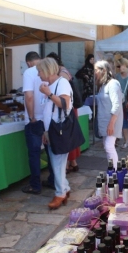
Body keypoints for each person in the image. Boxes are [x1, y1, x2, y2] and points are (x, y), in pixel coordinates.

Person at [38, 57, 71, 209]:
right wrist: (45, 131)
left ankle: (60, 193)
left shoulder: (61, 83)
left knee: (58, 163)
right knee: (56, 161)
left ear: (47, 71)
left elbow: (64, 103)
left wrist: (48, 93)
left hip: (59, 130)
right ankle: (65, 189)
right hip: (52, 129)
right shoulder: (51, 84)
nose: (38, 74)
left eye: (40, 71)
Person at [21, 52, 54, 195]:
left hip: (35, 119)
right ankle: (53, 180)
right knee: (50, 151)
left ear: (28, 62)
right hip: (48, 118)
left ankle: (35, 185)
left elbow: (29, 96)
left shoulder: (29, 72)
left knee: (34, 153)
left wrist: (32, 117)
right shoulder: (51, 71)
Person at [46, 52, 80, 173]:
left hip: (65, 110)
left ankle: (66, 165)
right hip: (69, 108)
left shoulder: (61, 74)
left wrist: (49, 94)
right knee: (68, 136)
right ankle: (73, 163)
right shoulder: (64, 71)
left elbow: (64, 100)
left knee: (66, 137)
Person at [95, 60, 123, 170]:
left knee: (109, 146)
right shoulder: (103, 85)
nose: (94, 72)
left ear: (104, 70)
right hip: (105, 120)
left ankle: (115, 172)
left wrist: (111, 124)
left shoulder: (113, 84)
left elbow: (117, 105)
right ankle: (112, 169)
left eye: (96, 70)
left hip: (112, 120)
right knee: (107, 147)